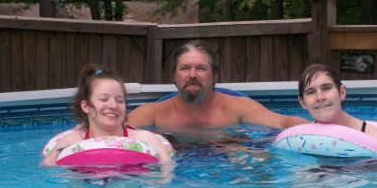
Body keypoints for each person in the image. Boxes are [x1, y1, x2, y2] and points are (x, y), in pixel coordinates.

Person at [127, 40, 309, 133]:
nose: (192, 75)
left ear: (215, 76)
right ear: (174, 77)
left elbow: (282, 122)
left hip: (227, 161)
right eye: (184, 68)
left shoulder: (238, 107)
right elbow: (113, 130)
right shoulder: (153, 113)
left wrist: (320, 129)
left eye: (201, 68)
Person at [41, 64, 173, 166]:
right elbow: (48, 169)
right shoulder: (72, 141)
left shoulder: (145, 139)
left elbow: (167, 172)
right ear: (86, 106)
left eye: (120, 100)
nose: (113, 105)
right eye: (104, 99)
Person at [298, 63, 377, 148]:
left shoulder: (374, 136)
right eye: (311, 92)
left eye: (326, 88)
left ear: (342, 92)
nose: (320, 97)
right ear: (302, 103)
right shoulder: (298, 138)